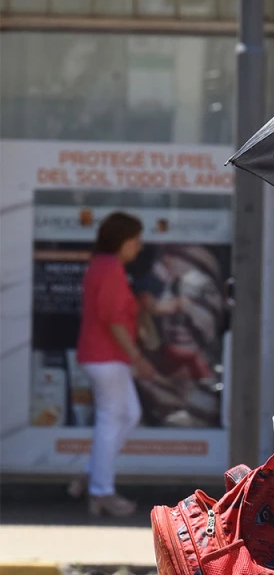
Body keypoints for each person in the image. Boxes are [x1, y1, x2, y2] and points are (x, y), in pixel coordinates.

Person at [71, 211, 154, 518]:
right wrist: (137, 358)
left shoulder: (104, 266)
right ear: (122, 241)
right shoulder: (109, 269)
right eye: (136, 240)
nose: (139, 246)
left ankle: (91, 474)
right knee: (111, 420)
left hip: (105, 357)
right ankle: (101, 491)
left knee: (129, 414)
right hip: (106, 357)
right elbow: (113, 319)